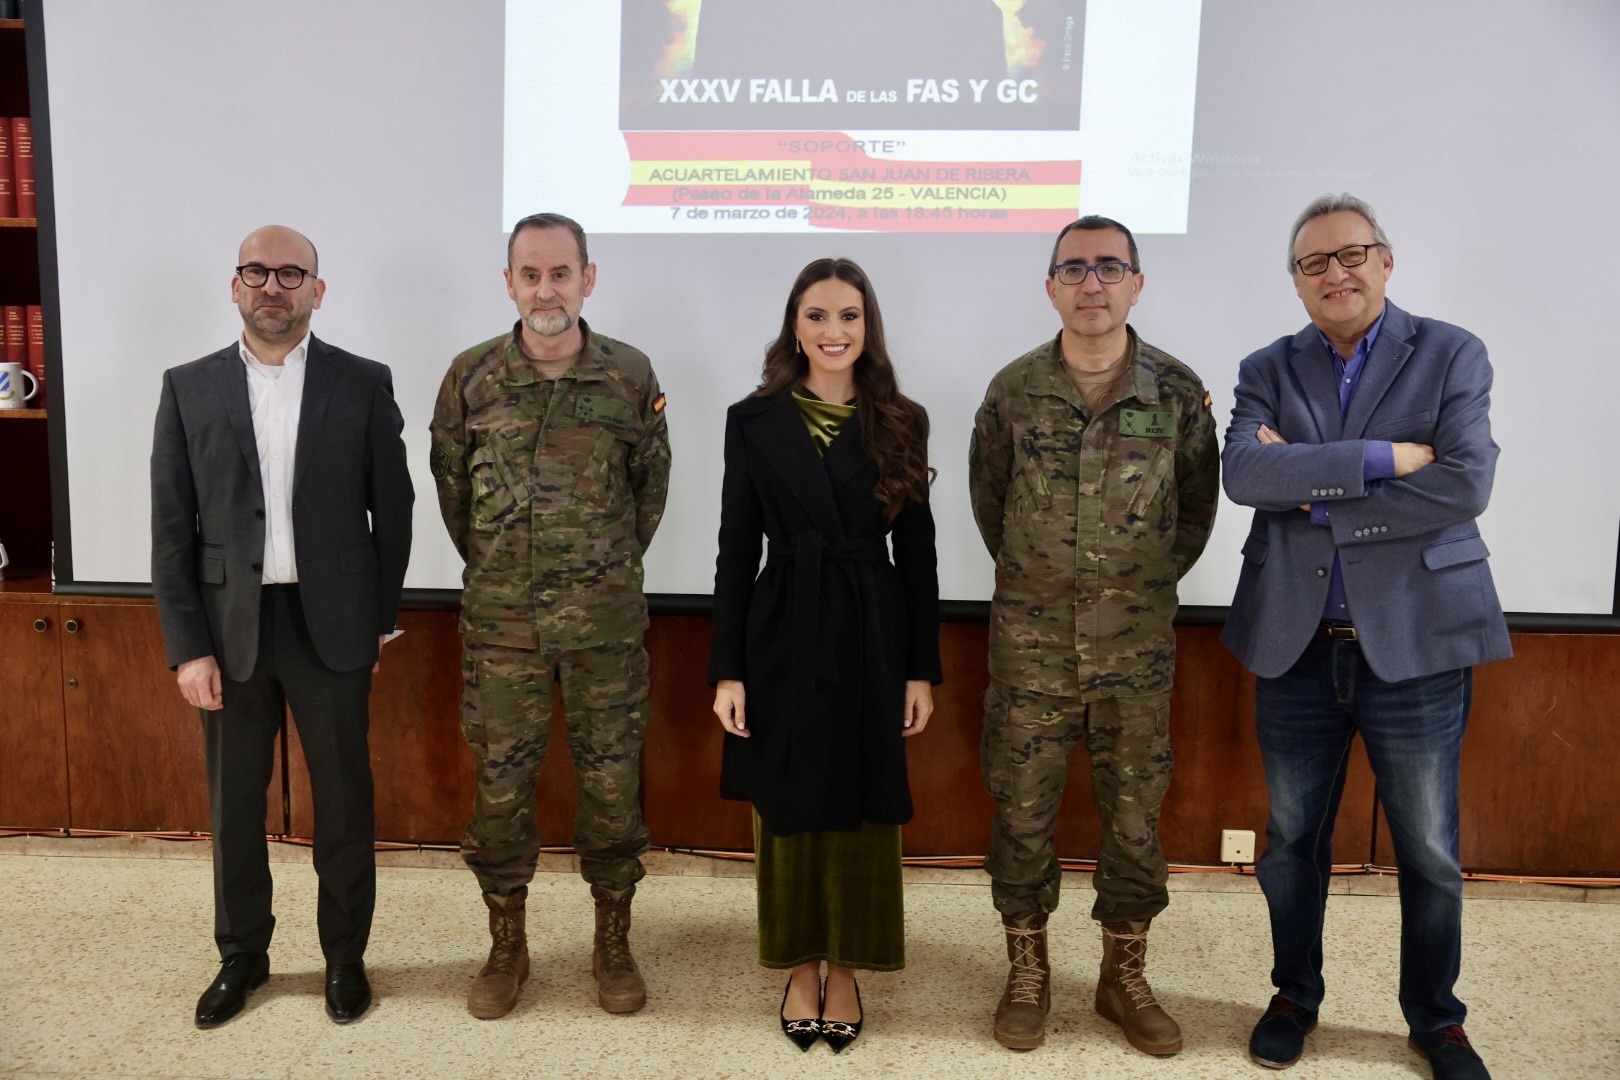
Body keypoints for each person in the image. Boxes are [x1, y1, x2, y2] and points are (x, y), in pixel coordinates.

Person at [1222, 194, 1509, 1079]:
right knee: (1292, 840)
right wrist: (1384, 457)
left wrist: (1313, 492)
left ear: (1387, 261)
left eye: (1352, 254)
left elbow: (1465, 484)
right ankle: (1294, 996)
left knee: (1427, 849)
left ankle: (1435, 1018)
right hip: (1296, 643)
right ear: (1298, 282)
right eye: (1314, 263)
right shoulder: (1268, 365)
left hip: (1416, 641)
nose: (1335, 273)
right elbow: (1243, 471)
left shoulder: (1453, 352)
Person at [150, 225, 414, 1029]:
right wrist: (186, 647)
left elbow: (393, 510)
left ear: (316, 292)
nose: (273, 285)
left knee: (344, 800)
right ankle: (243, 957)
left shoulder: (362, 382)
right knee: (234, 807)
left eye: (291, 273)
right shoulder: (187, 386)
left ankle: (345, 957)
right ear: (235, 286)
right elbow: (171, 529)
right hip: (228, 633)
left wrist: (379, 619)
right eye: (257, 272)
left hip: (329, 625)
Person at [969, 215, 1219, 1055]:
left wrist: (1130, 592)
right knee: (1022, 817)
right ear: (1050, 287)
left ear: (1137, 284)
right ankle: (1028, 968)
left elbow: (1193, 519)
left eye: (1110, 267)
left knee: (1136, 821)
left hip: (1135, 655)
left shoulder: (1177, 396)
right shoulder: (1011, 392)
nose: (1092, 283)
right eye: (1073, 269)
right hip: (1031, 654)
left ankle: (1123, 975)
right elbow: (989, 509)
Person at [429, 212, 671, 1020]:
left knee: (611, 790)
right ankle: (507, 944)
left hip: (604, 632)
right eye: (529, 275)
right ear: (508, 284)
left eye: (560, 273)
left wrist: (593, 574)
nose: (546, 289)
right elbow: (454, 499)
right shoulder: (470, 378)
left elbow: (649, 496)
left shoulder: (630, 375)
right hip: (503, 631)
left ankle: (613, 940)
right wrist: (509, 574)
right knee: (500, 795)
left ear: (587, 278)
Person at [709, 257, 941, 1054]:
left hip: (872, 630)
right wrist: (727, 669)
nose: (833, 331)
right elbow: (735, 550)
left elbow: (919, 557)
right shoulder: (753, 419)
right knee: (789, 801)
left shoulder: (901, 419)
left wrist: (921, 669)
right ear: (794, 326)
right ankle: (798, 963)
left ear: (868, 326)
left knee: (866, 801)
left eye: (849, 315)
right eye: (817, 316)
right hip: (781, 627)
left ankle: (847, 965)